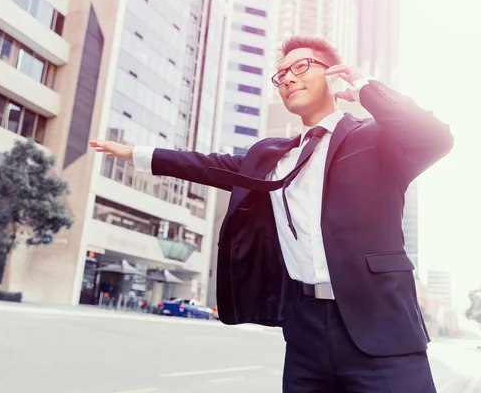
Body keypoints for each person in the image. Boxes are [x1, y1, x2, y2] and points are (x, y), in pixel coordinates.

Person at [89, 36, 453, 392]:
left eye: (300, 66)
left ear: (332, 73)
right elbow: (209, 166)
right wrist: (137, 154)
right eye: (280, 75)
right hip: (305, 332)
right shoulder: (272, 157)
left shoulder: (376, 138)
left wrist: (364, 88)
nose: (288, 78)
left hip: (381, 327)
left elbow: (434, 137)